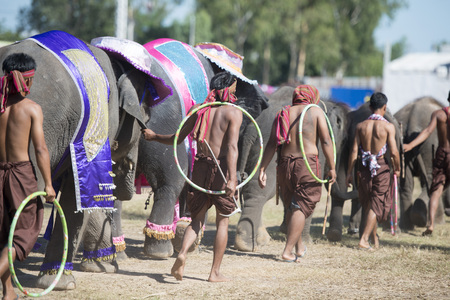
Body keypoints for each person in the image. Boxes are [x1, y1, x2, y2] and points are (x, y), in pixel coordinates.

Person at [142, 72, 242, 282]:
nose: (235, 92)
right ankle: (214, 273)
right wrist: (232, 178)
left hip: (200, 168)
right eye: (234, 88)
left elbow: (176, 138)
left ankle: (182, 253)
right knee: (223, 222)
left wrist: (154, 136)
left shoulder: (199, 110)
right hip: (222, 170)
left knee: (196, 220)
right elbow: (232, 147)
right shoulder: (233, 113)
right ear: (227, 89)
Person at [258, 85, 336, 262]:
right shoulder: (316, 112)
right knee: (301, 206)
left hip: (285, 164)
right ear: (312, 97)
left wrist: (262, 168)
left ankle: (299, 247)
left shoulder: (283, 112)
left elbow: (272, 143)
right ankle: (287, 251)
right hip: (306, 165)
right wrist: (331, 167)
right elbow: (325, 140)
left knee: (294, 206)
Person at [0, 53, 56, 300]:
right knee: (24, 233)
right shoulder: (32, 109)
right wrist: (49, 185)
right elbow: (41, 149)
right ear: (28, 81)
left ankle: (8, 291)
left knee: (4, 233)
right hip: (21, 176)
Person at [346, 92, 400, 250]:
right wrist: (397, 168)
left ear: (370, 107)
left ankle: (374, 239)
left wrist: (349, 172)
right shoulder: (388, 127)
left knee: (370, 203)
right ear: (385, 107)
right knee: (377, 204)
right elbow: (394, 152)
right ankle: (363, 239)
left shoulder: (361, 126)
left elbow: (354, 151)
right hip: (381, 167)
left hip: (363, 168)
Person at [403, 91, 450, 236]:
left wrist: (410, 145)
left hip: (442, 153)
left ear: (448, 98)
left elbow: (428, 131)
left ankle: (430, 225)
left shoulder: (439, 114)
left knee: (435, 190)